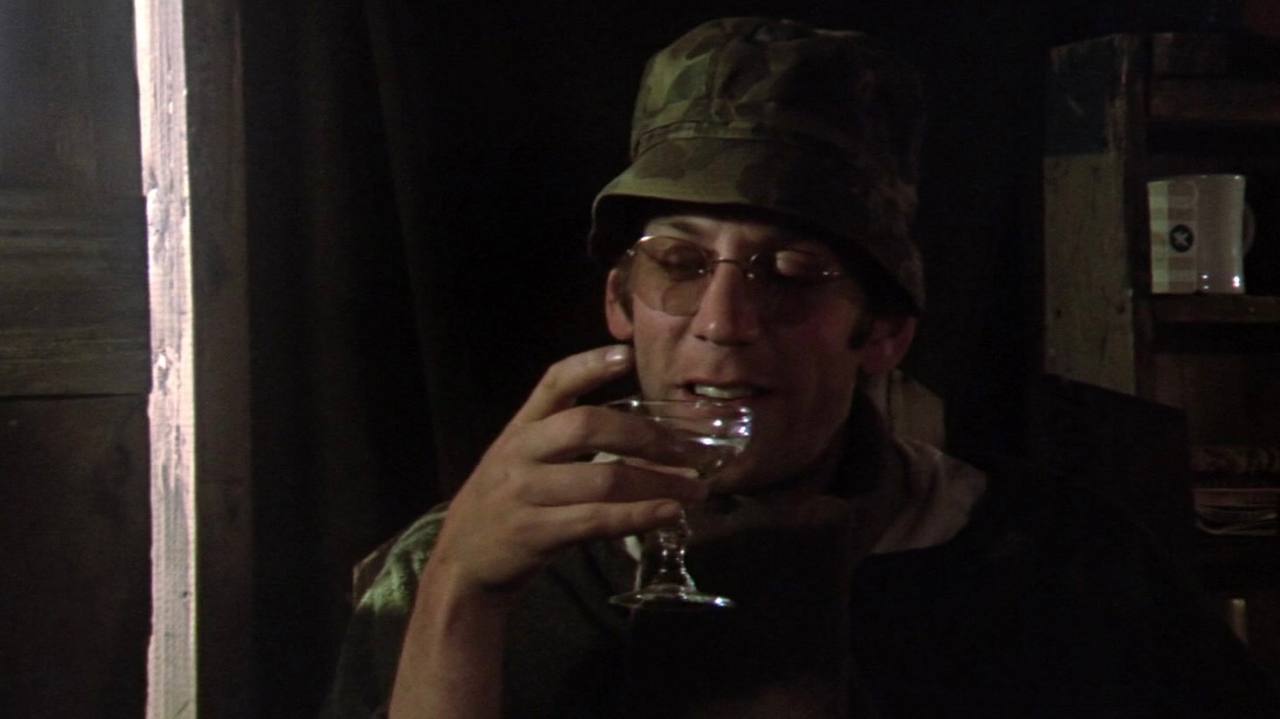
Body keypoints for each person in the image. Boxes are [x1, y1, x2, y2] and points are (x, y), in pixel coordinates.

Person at [323, 17, 1280, 718]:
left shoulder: (1054, 562)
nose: (723, 322)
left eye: (790, 273)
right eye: (680, 263)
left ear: (883, 333)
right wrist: (461, 591)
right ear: (621, 303)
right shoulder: (480, 557)